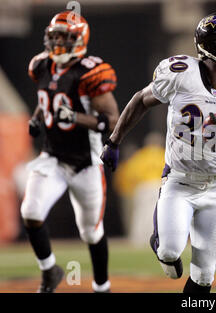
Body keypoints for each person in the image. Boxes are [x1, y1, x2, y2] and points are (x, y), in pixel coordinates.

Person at [101, 12, 216, 293]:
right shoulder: (180, 73)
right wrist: (114, 141)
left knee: (204, 274)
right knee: (168, 251)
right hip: (179, 181)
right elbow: (140, 100)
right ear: (213, 45)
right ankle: (161, 244)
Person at [21, 11, 119, 293]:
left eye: (63, 37)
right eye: (53, 37)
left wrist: (75, 117)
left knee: (90, 231)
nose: (56, 43)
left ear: (78, 39)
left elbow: (112, 120)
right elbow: (47, 97)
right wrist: (38, 117)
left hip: (85, 163)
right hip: (52, 157)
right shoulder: (40, 65)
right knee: (31, 211)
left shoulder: (91, 71)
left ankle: (102, 286)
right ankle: (49, 270)